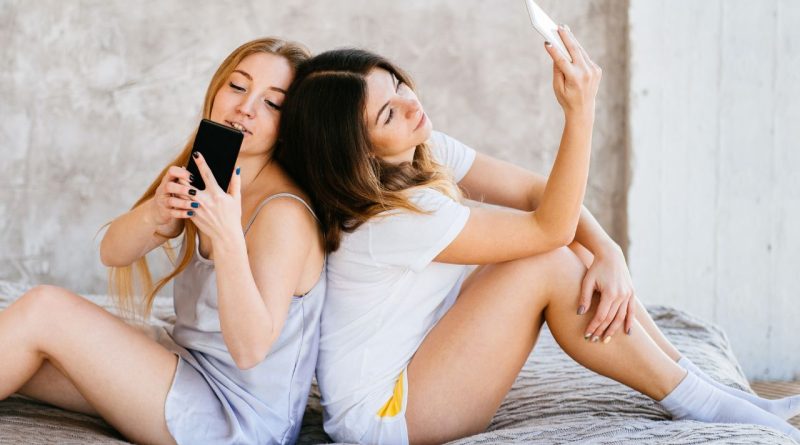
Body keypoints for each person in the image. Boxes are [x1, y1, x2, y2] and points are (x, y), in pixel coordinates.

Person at [274, 26, 800, 445]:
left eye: (398, 85)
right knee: (546, 258)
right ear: (358, 152)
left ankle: (703, 388)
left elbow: (533, 192)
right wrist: (580, 113)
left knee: (569, 248)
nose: (411, 105)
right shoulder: (390, 220)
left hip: (417, 361)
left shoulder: (419, 150)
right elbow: (550, 225)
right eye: (388, 113)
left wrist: (609, 251)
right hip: (385, 417)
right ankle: (697, 400)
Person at [0, 37, 325, 445]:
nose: (246, 107)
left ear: (290, 122)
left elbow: (250, 351)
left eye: (272, 103)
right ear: (216, 90)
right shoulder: (209, 172)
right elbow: (111, 253)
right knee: (25, 352)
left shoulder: (283, 213)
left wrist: (227, 239)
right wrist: (156, 215)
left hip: (239, 418)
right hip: (188, 368)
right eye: (238, 86)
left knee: (44, 308)